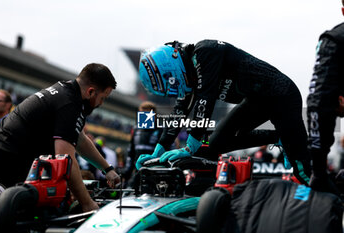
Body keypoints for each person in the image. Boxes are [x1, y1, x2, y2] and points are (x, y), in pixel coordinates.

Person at [136, 40, 311, 185]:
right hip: (258, 100)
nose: (173, 89)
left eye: (170, 82)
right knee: (216, 144)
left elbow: (205, 99)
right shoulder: (189, 75)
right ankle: (277, 138)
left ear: (171, 68)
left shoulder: (205, 52)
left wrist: (190, 147)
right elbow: (179, 112)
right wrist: (157, 152)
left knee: (302, 172)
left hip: (282, 95)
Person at [0, 63, 120, 212]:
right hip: (3, 169)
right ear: (91, 91)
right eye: (102, 98)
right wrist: (87, 203)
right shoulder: (69, 104)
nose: (101, 103)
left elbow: (80, 140)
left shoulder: (66, 90)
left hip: (6, 160)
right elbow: (66, 159)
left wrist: (107, 169)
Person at [307, 1, 344, 194]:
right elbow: (319, 101)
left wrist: (319, 170)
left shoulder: (334, 39)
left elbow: (317, 102)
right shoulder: (335, 40)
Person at [122, 101, 162, 186]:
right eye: (141, 113)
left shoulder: (160, 129)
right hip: (137, 170)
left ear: (154, 115)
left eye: (146, 114)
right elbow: (131, 152)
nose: (143, 116)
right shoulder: (136, 129)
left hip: (154, 171)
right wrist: (126, 172)